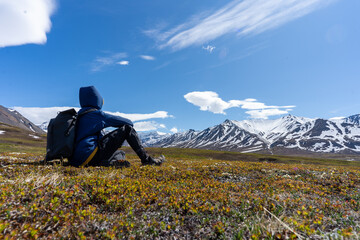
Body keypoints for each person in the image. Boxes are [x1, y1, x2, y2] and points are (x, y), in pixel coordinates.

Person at [69, 86, 164, 168]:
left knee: (121, 153)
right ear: (97, 99)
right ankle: (147, 160)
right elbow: (128, 123)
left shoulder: (78, 116)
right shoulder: (96, 114)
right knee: (127, 129)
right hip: (90, 155)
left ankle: (108, 163)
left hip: (78, 160)